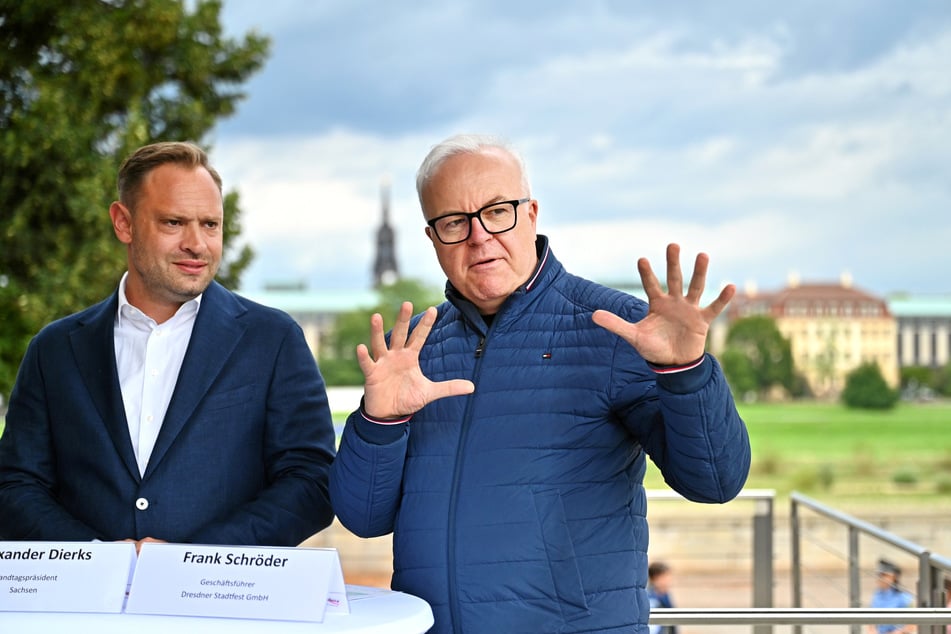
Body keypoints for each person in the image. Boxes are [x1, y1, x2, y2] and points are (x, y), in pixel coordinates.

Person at [330, 133, 751, 633]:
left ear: (531, 214)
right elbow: (364, 518)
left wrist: (686, 374)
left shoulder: (616, 328)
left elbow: (716, 482)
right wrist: (380, 421)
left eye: (497, 211)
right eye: (453, 222)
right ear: (432, 238)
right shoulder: (415, 351)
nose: (479, 236)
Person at [0, 141, 336, 548]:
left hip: (225, 602)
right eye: (174, 223)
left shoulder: (274, 340)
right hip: (88, 608)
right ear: (123, 222)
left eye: (210, 225)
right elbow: (16, 486)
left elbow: (311, 482)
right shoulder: (54, 350)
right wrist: (97, 559)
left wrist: (190, 561)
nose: (197, 244)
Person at [867, 559, 915, 634]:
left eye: (884, 575)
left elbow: (912, 624)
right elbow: (871, 622)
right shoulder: (877, 595)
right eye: (879, 575)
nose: (880, 578)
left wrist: (896, 632)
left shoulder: (904, 597)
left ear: (894, 577)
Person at [647, 561, 678, 634]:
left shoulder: (665, 595)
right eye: (666, 577)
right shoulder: (651, 601)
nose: (669, 580)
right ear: (656, 578)